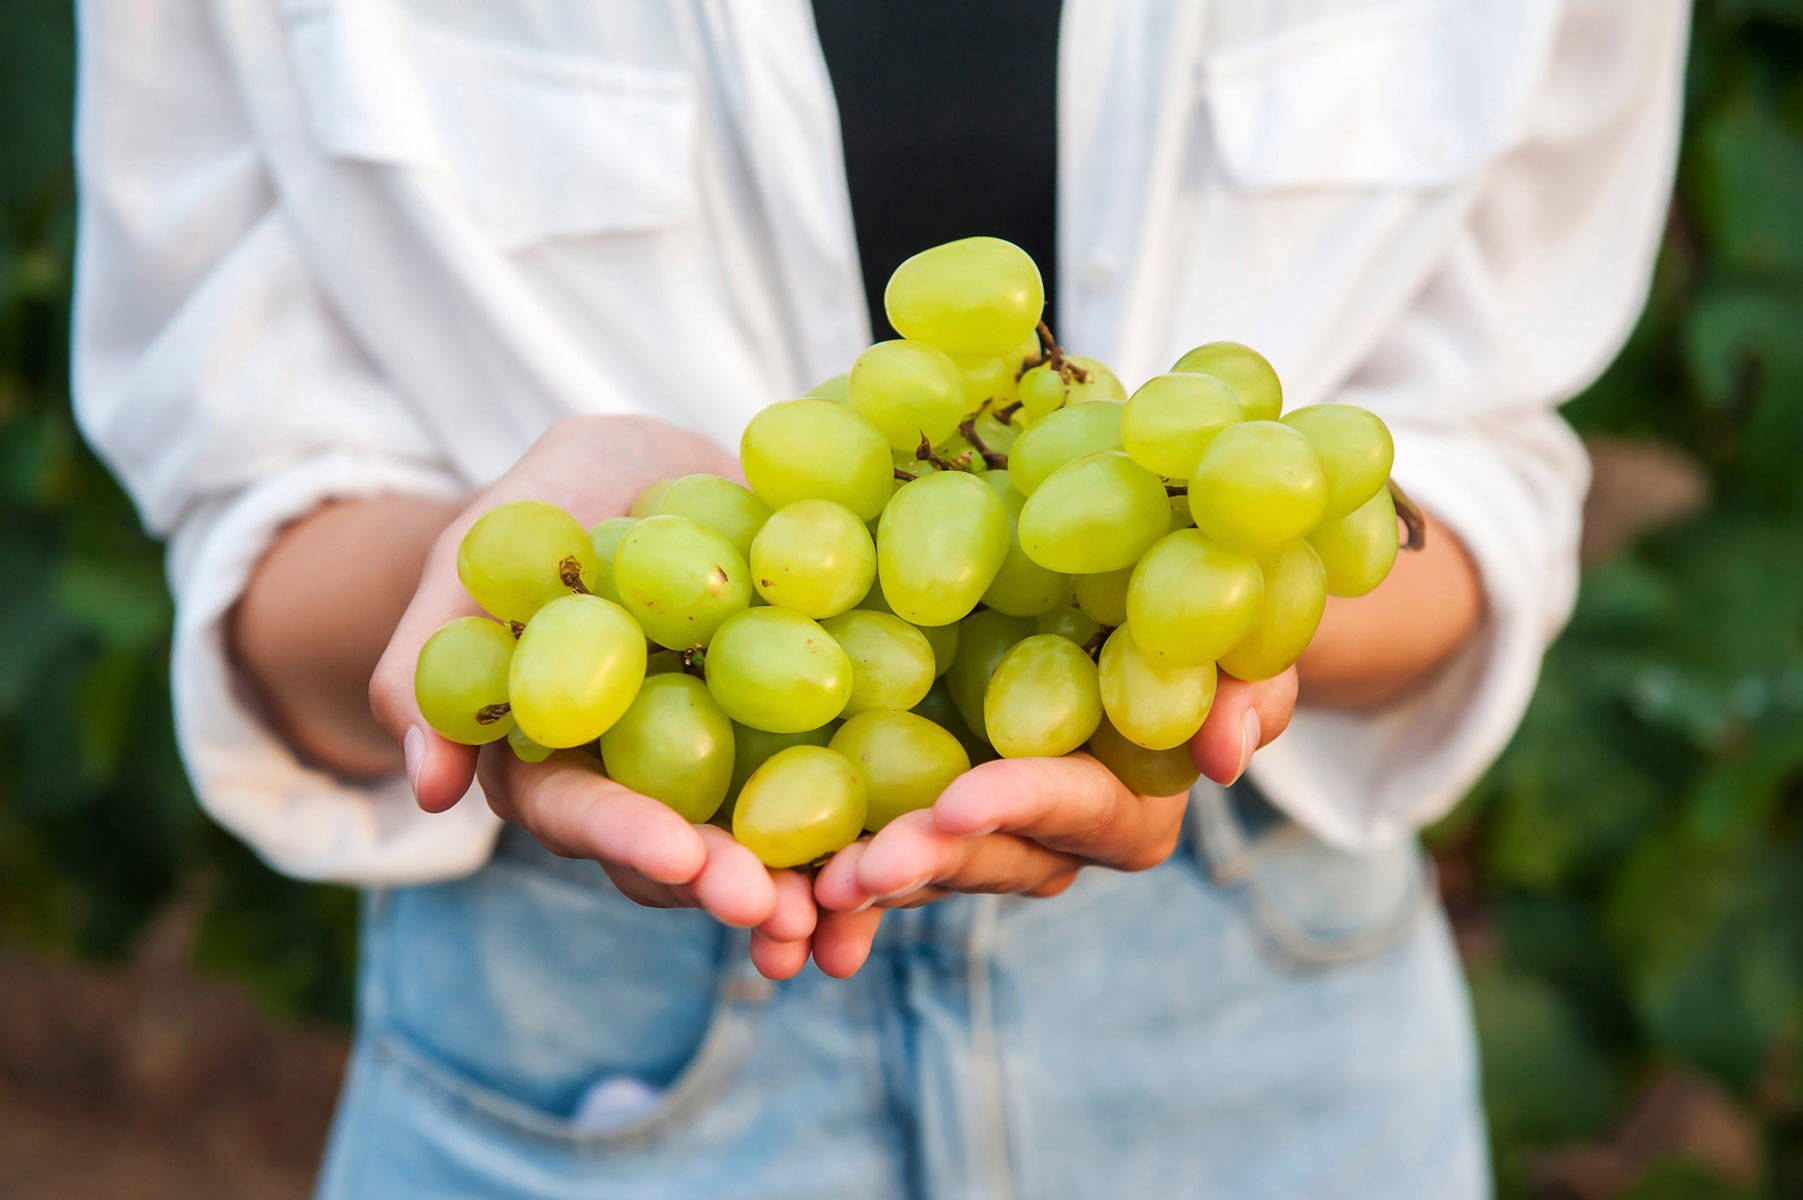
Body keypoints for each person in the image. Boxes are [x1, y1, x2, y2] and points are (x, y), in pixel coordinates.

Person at [72, 2, 1689, 1196]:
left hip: (1264, 1031)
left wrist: (1209, 636)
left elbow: (1474, 469)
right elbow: (249, 518)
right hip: (568, 1025)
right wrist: (471, 594)